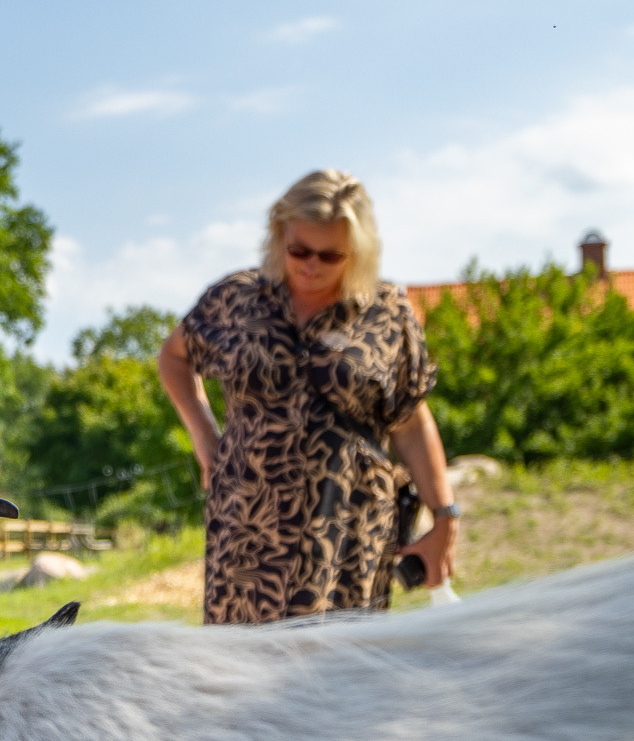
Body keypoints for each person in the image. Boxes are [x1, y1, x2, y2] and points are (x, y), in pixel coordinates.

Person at [157, 170, 460, 623]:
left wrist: (445, 516)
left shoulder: (388, 313)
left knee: (339, 676)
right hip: (246, 524)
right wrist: (205, 439)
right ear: (279, 234)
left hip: (348, 531)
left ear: (357, 252)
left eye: (330, 255)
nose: (310, 265)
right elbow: (174, 357)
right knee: (235, 673)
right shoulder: (236, 299)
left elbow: (411, 422)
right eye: (298, 249)